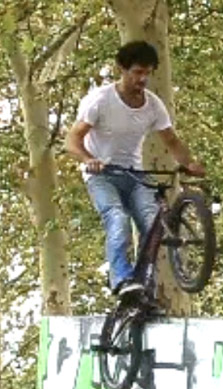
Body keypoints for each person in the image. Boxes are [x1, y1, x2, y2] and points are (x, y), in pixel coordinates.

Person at [66, 40, 206, 299]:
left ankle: (141, 283)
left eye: (147, 73)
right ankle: (121, 278)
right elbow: (72, 140)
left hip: (135, 173)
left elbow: (172, 141)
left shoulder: (153, 105)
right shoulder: (100, 100)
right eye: (137, 72)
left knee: (152, 223)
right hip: (102, 174)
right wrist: (88, 159)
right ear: (122, 69)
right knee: (117, 218)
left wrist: (189, 163)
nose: (142, 79)